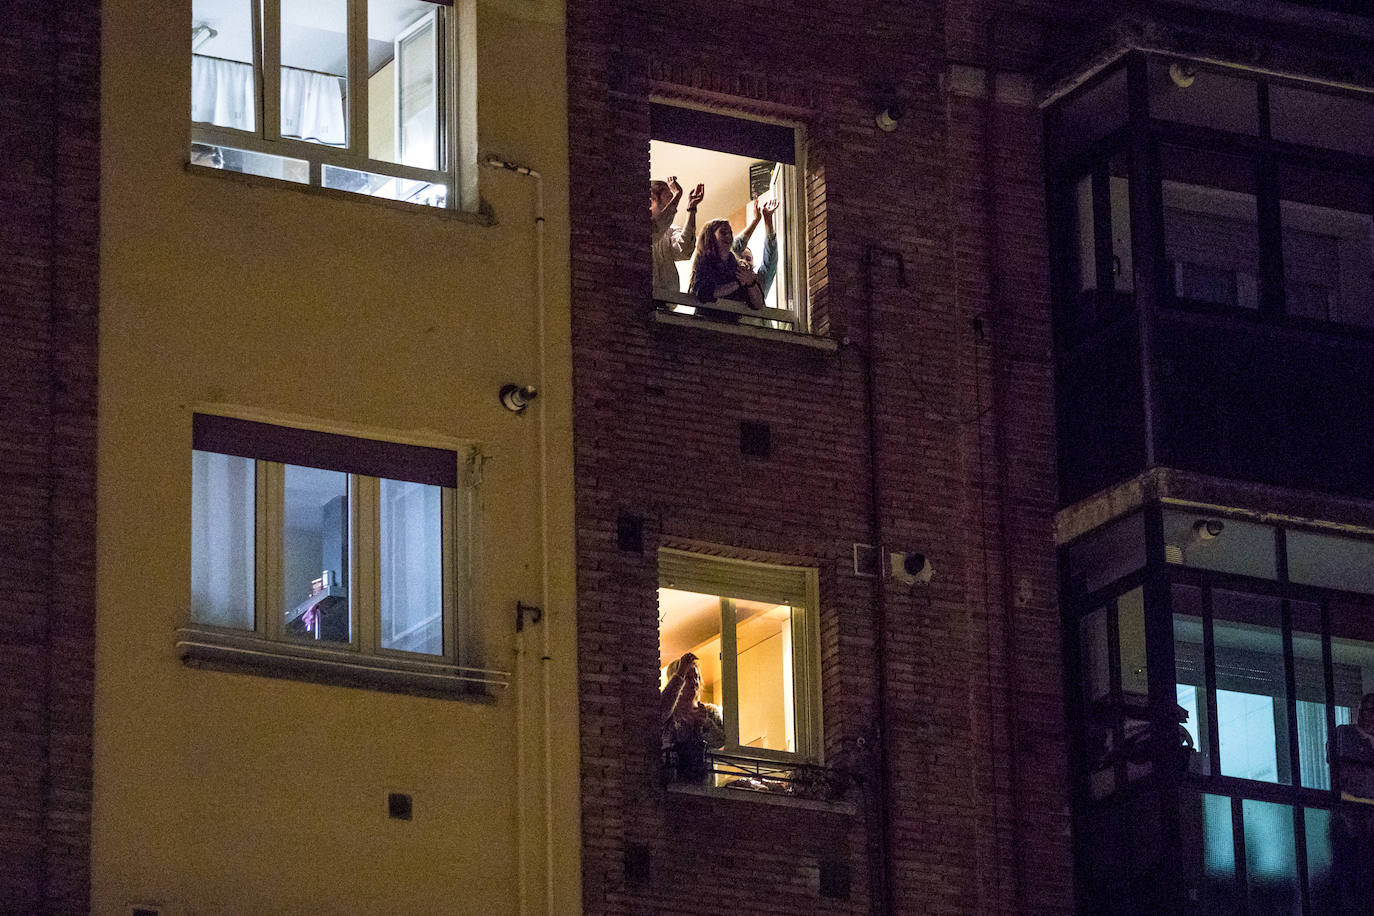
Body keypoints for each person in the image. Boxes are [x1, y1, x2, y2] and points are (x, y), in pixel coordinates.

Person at [688, 196, 779, 310]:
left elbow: (758, 304)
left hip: (734, 324)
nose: (729, 237)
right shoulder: (704, 264)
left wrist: (750, 283)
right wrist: (739, 282)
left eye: (730, 233)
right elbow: (704, 293)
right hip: (708, 323)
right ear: (710, 238)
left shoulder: (736, 267)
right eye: (723, 232)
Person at [1332, 692, 1374, 913]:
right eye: (1369, 710)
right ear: (1360, 712)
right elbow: (1342, 767)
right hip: (1352, 811)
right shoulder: (1345, 734)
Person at [660, 652, 725, 781]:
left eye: (697, 677)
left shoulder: (710, 712)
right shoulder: (669, 714)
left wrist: (705, 724)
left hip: (704, 786)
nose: (694, 682)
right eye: (688, 677)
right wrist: (680, 672)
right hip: (673, 783)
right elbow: (660, 712)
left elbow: (720, 743)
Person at [651, 176, 704, 294]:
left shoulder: (670, 231)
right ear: (652, 199)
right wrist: (678, 195)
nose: (673, 202)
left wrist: (692, 208)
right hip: (642, 300)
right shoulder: (638, 226)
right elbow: (657, 228)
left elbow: (684, 251)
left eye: (672, 197)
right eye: (669, 197)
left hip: (667, 303)